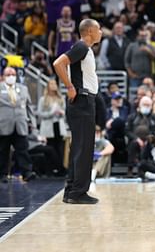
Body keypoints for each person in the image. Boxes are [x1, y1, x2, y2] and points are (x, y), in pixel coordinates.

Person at [53, 18, 102, 204]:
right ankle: (78, 192)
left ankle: (71, 191)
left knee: (79, 148)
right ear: (89, 31)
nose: (101, 32)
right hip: (82, 101)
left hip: (84, 101)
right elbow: (58, 63)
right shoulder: (81, 46)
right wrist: (70, 86)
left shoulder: (85, 49)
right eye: (98, 29)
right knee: (83, 148)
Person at [0, 67, 37, 183]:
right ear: (3, 76)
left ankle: (27, 172)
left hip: (20, 124)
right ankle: (2, 174)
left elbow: (29, 107)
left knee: (23, 149)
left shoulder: (23, 89)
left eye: (13, 74)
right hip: (3, 125)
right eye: (8, 74)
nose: (11, 76)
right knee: (2, 151)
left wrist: (33, 123)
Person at [37, 79, 67, 172]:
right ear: (48, 86)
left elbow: (65, 112)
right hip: (48, 127)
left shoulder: (60, 98)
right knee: (50, 148)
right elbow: (40, 114)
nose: (53, 86)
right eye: (51, 84)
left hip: (59, 125)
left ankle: (60, 168)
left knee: (59, 148)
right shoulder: (43, 99)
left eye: (55, 84)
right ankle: (50, 169)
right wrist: (51, 112)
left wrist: (61, 113)